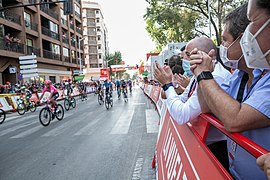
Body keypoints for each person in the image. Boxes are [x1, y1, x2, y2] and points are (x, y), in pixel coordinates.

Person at [189, 2, 270, 179]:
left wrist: (204, 76)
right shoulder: (239, 75)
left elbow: (235, 120)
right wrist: (203, 74)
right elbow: (206, 107)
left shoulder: (267, 78)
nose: (221, 47)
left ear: (244, 40)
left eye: (225, 40)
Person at [154, 37, 232, 170]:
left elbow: (182, 115)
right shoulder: (199, 74)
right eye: (185, 56)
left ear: (209, 54)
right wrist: (170, 86)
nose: (185, 60)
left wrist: (168, 85)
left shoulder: (215, 76)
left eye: (189, 55)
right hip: (204, 144)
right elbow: (184, 98)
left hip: (216, 149)